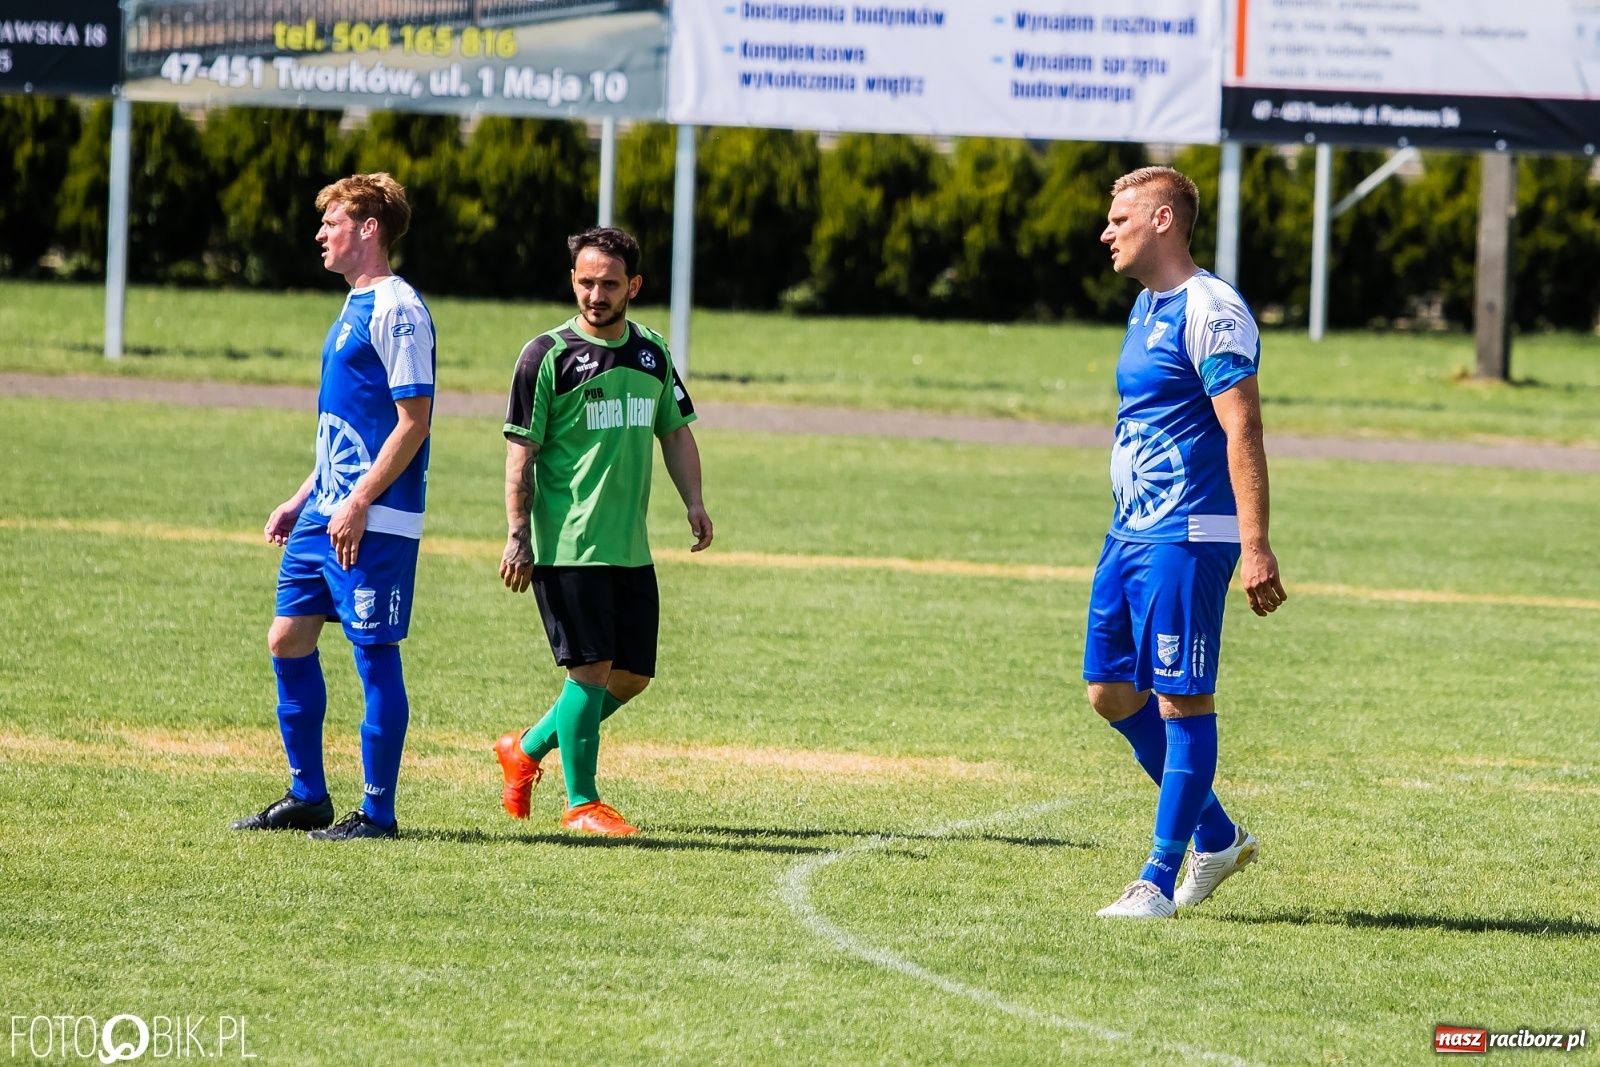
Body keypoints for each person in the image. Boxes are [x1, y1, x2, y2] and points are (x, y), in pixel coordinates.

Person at [1083, 166, 1287, 918]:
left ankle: (1157, 881)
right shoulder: (1145, 306)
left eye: (1120, 217)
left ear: (1163, 220)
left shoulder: (1213, 309)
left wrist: (1255, 542)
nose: (1107, 230)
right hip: (1130, 532)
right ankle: (1219, 834)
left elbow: (1244, 426)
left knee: (1181, 698)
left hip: (1189, 532)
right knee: (1110, 692)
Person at [232, 173, 436, 841]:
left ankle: (377, 813)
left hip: (372, 517)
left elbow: (413, 421)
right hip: (327, 509)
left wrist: (358, 501)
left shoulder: (397, 309)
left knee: (373, 653)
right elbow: (347, 426)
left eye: (334, 221)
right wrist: (303, 497)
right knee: (287, 637)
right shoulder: (354, 304)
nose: (321, 233)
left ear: (370, 227)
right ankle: (308, 794)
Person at [493, 227, 711, 837]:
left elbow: (675, 431)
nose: (596, 294)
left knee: (632, 675)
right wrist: (518, 534)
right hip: (568, 542)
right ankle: (582, 803)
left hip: (629, 546)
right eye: (586, 282)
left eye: (609, 284)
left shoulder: (653, 354)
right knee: (589, 670)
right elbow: (521, 451)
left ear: (633, 286)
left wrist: (694, 501)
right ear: (572, 281)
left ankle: (526, 748)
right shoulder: (546, 356)